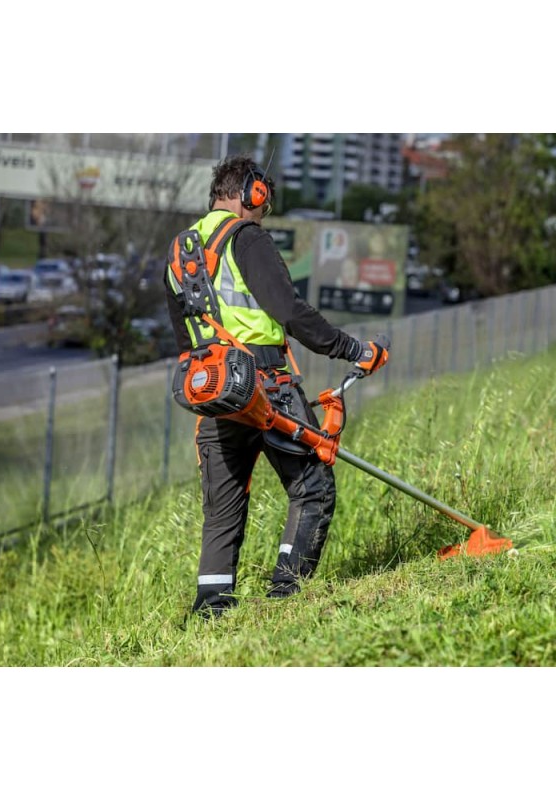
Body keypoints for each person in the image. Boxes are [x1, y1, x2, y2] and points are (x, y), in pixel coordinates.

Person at [164, 154, 389, 618]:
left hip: (215, 391)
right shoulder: (246, 239)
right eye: (262, 203)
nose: (263, 213)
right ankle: (286, 597)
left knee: (222, 510)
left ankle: (211, 611)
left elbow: (184, 334)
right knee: (312, 487)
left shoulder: (180, 252)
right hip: (267, 387)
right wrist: (353, 349)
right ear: (252, 194)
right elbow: (289, 311)